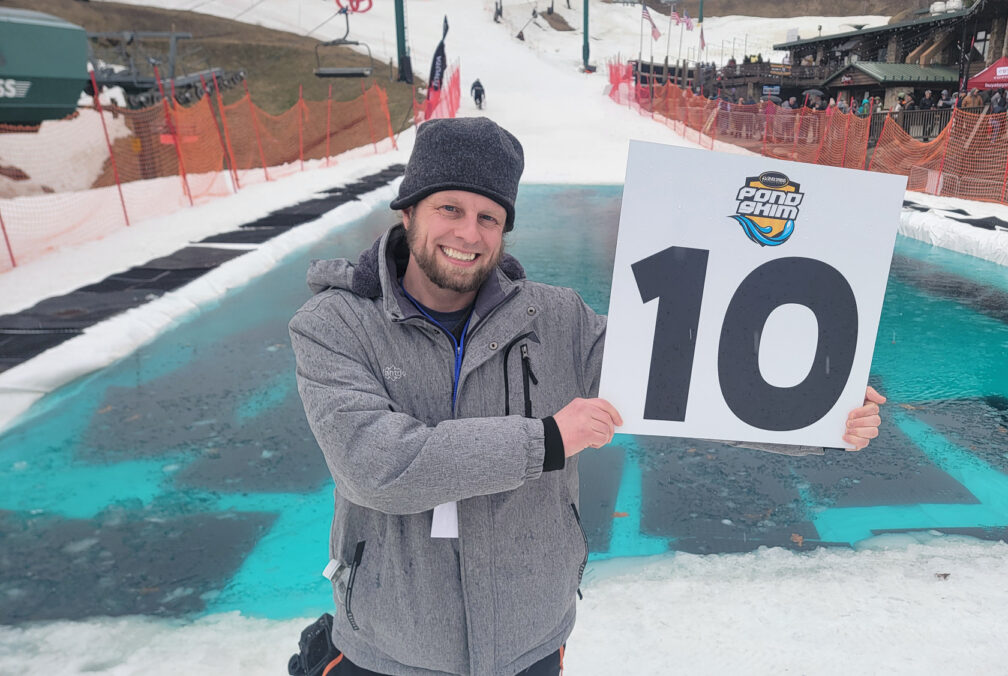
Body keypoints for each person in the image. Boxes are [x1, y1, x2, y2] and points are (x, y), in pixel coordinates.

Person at [286, 117, 888, 675]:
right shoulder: (334, 324)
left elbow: (686, 382)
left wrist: (817, 410)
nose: (468, 233)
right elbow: (375, 466)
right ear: (409, 211)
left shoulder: (557, 318)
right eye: (450, 208)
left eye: (489, 217)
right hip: (391, 647)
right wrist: (548, 440)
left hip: (530, 641)